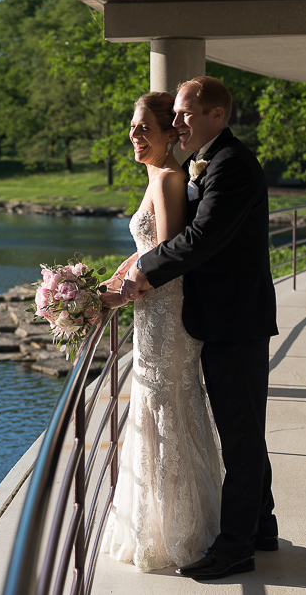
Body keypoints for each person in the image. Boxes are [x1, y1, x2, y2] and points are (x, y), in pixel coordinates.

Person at [120, 76, 279, 580]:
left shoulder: (230, 165)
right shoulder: (203, 163)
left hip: (236, 320)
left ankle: (237, 547)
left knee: (240, 433)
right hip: (220, 316)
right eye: (177, 116)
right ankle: (262, 525)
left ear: (216, 115)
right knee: (243, 428)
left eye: (186, 115)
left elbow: (201, 239)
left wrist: (142, 273)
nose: (177, 122)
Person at [99, 91, 223, 572]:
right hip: (150, 312)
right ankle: (152, 523)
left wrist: (123, 293)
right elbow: (149, 249)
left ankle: (181, 530)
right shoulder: (159, 174)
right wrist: (115, 278)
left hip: (167, 315)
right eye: (132, 127)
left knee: (169, 409)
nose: (134, 135)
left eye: (143, 127)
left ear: (170, 133)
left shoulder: (171, 178)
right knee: (152, 408)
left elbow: (170, 255)